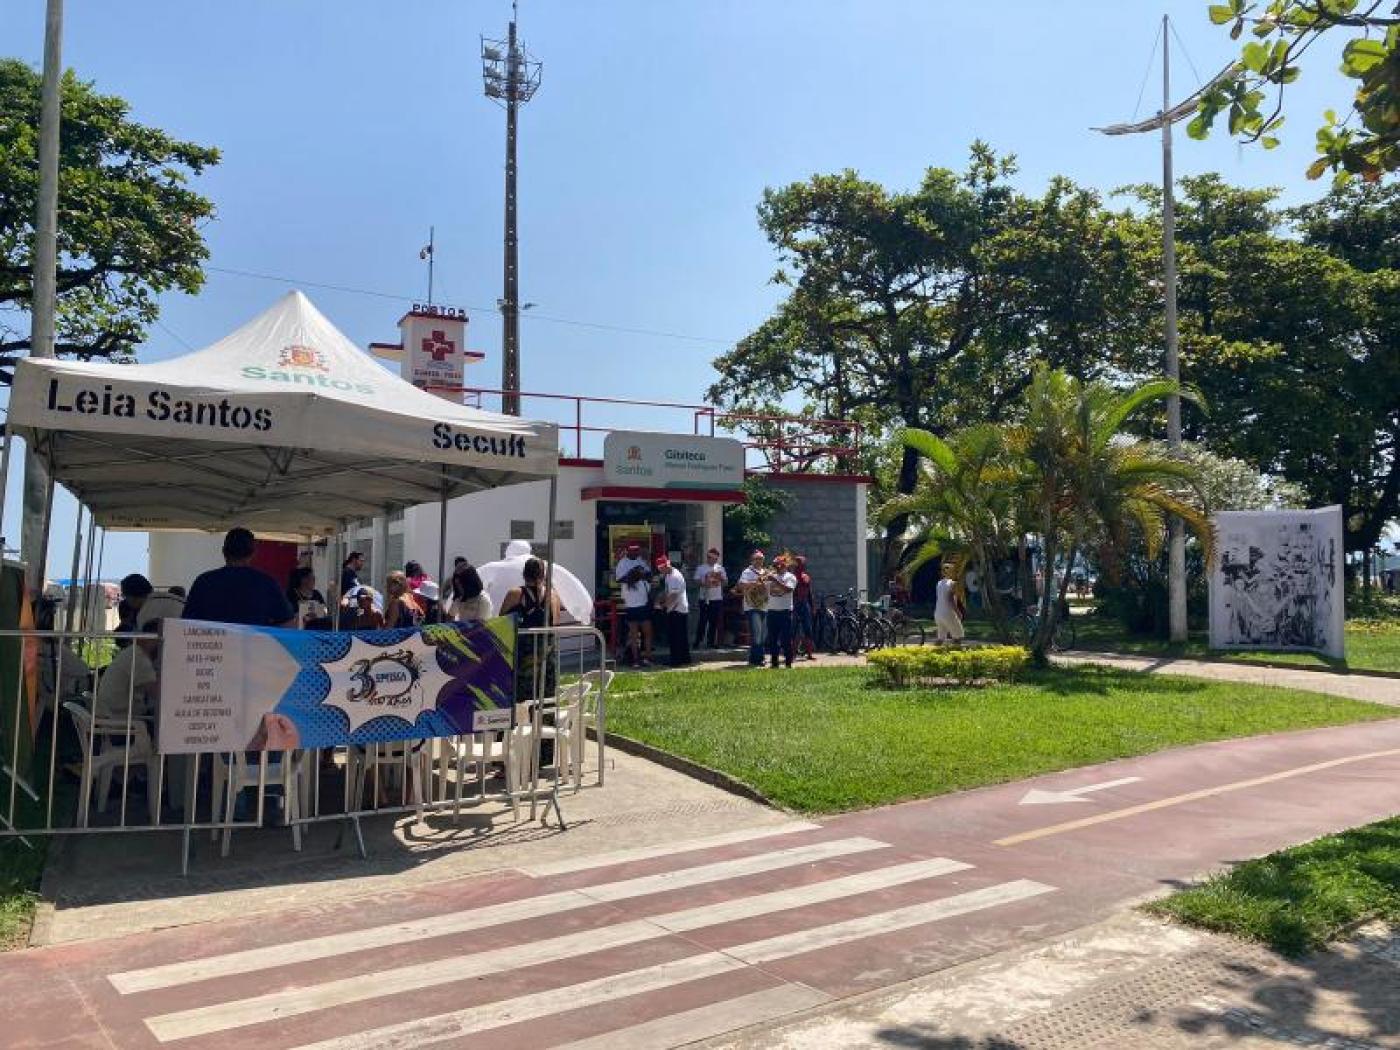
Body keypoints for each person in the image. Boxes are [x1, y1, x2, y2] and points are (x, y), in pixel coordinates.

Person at [183, 528, 296, 627]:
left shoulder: (203, 582)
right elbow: (288, 623)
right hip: (254, 649)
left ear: (223, 552)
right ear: (253, 553)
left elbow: (186, 624)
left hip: (211, 649)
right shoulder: (267, 583)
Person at [500, 557, 561, 702]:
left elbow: (502, 620)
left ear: (524, 574)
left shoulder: (515, 594)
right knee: (545, 699)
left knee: (522, 700)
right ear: (543, 574)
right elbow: (556, 622)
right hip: (547, 654)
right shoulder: (553, 595)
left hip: (524, 656)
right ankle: (546, 724)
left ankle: (522, 724)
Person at [615, 540, 654, 667]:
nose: (635, 552)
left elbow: (649, 574)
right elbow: (619, 578)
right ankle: (638, 659)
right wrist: (635, 576)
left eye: (636, 550)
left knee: (644, 634)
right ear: (628, 550)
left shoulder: (640, 561)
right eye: (632, 550)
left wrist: (641, 574)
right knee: (635, 635)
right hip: (635, 606)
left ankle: (643, 659)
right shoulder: (623, 563)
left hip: (638, 606)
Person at [737, 550, 770, 667]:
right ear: (752, 560)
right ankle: (759, 658)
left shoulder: (766, 572)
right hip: (752, 605)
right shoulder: (747, 572)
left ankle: (754, 658)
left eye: (761, 559)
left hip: (764, 605)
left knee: (763, 635)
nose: (759, 561)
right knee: (757, 633)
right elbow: (741, 585)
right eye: (757, 559)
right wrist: (756, 583)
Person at [656, 555, 691, 667]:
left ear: (665, 566)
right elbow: (667, 592)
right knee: (681, 636)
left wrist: (664, 606)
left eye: (661, 569)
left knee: (675, 636)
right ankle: (685, 658)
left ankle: (676, 660)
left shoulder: (675, 576)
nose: (660, 571)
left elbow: (674, 596)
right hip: (677, 608)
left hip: (677, 609)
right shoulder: (668, 575)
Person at [765, 555, 797, 668]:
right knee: (772, 639)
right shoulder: (771, 576)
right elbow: (762, 589)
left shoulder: (790, 577)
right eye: (775, 565)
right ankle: (774, 663)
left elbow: (789, 589)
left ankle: (788, 663)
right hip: (771, 611)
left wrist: (775, 581)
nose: (776, 567)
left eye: (778, 565)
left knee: (786, 639)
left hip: (785, 611)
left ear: (784, 565)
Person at [692, 548, 727, 649]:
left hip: (716, 598)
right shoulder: (701, 568)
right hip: (704, 597)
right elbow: (696, 581)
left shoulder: (720, 568)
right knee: (702, 621)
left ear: (716, 559)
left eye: (713, 558)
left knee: (714, 621)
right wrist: (705, 582)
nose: (710, 559)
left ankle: (711, 642)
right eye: (709, 557)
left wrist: (720, 578)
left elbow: (726, 583)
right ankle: (698, 641)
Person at [791, 555, 816, 661]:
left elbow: (809, 593)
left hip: (805, 603)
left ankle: (809, 654)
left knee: (808, 629)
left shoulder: (806, 576)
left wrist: (812, 606)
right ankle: (792, 654)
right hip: (795, 603)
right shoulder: (791, 577)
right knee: (794, 630)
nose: (801, 565)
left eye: (802, 563)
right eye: (799, 563)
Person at [934, 564, 965, 644]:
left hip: (938, 613)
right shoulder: (953, 584)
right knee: (958, 637)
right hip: (948, 613)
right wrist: (958, 612)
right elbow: (950, 599)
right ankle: (956, 655)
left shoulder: (939, 583)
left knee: (940, 638)